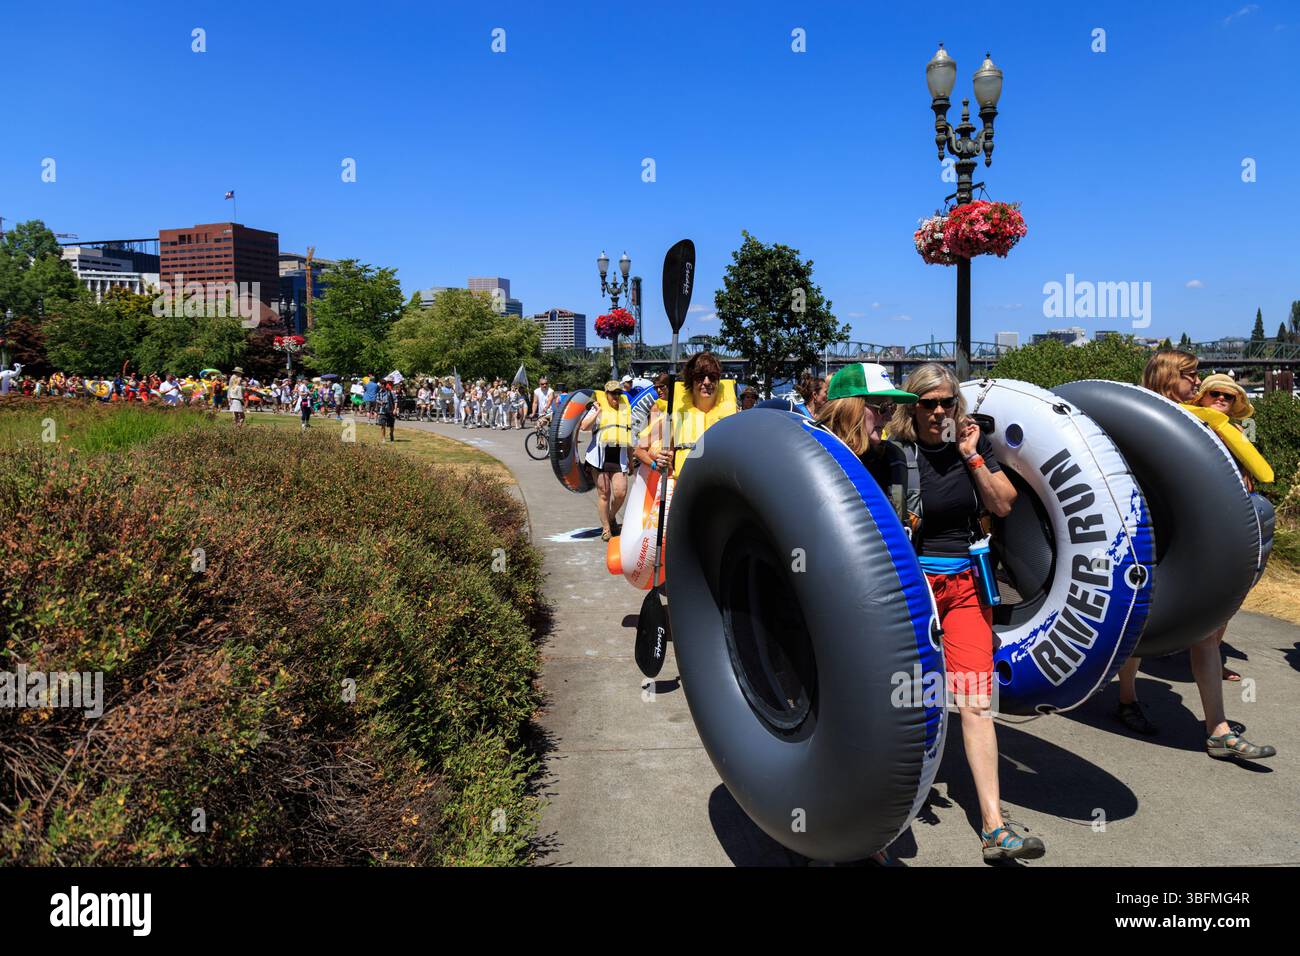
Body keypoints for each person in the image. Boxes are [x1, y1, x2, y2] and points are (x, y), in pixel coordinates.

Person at [888, 362, 1041, 862]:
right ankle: (879, 827)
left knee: (975, 700)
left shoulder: (972, 449)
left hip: (965, 587)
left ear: (958, 406)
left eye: (946, 403)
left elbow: (1002, 505)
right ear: (913, 407)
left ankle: (994, 826)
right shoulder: (896, 456)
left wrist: (972, 456)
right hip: (912, 590)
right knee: (904, 702)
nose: (937, 412)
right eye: (927, 403)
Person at [1113, 351, 1275, 761]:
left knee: (1205, 630)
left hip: (1191, 541)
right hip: (1149, 540)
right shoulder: (1141, 417)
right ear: (1171, 378)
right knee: (1139, 630)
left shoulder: (1200, 423)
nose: (1196, 384)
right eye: (1191, 376)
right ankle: (1128, 700)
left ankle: (1217, 729)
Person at [1194, 373, 1268, 682]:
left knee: (1229, 597)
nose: (1222, 399)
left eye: (1229, 396)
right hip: (1199, 522)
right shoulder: (1190, 427)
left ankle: (1213, 654)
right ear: (1203, 398)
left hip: (1234, 519)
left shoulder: (1237, 432)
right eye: (1215, 394)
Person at [814, 363, 916, 525]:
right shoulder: (815, 458)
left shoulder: (892, 458)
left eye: (892, 407)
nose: (889, 417)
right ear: (850, 408)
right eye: (882, 407)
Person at [581, 380, 632, 541]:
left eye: (619, 393)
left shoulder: (625, 409)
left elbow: (629, 436)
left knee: (620, 493)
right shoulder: (598, 407)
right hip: (599, 458)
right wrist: (596, 411)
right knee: (604, 494)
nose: (616, 396)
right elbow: (584, 426)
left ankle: (611, 516)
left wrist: (631, 459)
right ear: (606, 394)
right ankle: (606, 528)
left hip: (619, 456)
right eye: (612, 393)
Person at [376, 376, 398, 442]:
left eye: (380, 384)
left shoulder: (390, 392)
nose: (379, 385)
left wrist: (395, 409)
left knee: (391, 425)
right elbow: (377, 400)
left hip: (390, 411)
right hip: (382, 411)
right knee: (382, 425)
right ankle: (383, 438)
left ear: (383, 385)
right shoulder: (379, 393)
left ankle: (391, 434)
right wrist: (380, 402)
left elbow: (395, 400)